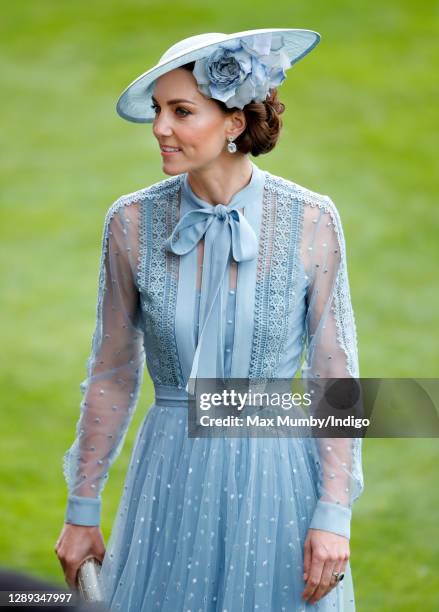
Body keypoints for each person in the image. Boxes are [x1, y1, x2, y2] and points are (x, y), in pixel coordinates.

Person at [55, 29, 364, 611]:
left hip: (278, 482)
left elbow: (334, 377)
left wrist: (333, 512)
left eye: (181, 111)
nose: (160, 129)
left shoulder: (311, 220)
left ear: (233, 123)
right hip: (170, 477)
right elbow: (112, 375)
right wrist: (82, 508)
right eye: (157, 111)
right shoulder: (131, 223)